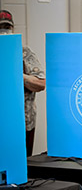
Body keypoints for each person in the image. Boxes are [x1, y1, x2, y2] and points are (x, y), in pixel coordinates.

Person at [0, 10, 46, 157]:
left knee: (24, 164)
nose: (4, 32)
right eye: (1, 28)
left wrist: (16, 75)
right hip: (3, 121)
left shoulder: (24, 52)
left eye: (7, 28)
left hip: (24, 121)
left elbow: (41, 83)